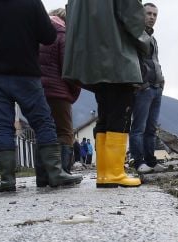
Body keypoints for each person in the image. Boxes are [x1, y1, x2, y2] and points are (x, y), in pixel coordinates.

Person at [0, 0, 80, 192]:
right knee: (43, 122)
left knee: (2, 126)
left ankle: (7, 179)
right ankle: (55, 172)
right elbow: (48, 36)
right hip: (27, 75)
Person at [65, 0, 151, 188]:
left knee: (105, 114)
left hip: (91, 59)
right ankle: (115, 172)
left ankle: (104, 173)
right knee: (120, 115)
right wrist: (146, 41)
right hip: (118, 56)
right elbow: (133, 18)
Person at [36, 7, 82, 187]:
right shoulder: (63, 35)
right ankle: (63, 173)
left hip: (37, 92)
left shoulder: (36, 35)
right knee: (64, 133)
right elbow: (69, 69)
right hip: (59, 92)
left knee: (44, 131)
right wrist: (73, 92)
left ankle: (42, 176)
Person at [130, 2, 163, 175]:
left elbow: (154, 62)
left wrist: (162, 80)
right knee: (138, 128)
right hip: (143, 87)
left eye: (154, 15)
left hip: (157, 87)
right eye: (148, 13)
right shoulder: (136, 35)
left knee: (151, 129)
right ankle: (139, 162)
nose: (151, 17)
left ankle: (151, 161)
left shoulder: (153, 39)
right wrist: (137, 82)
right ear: (141, 15)